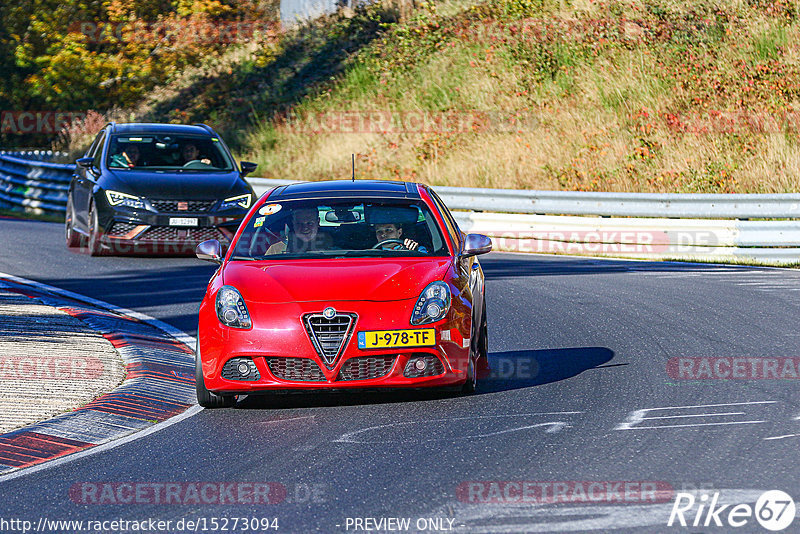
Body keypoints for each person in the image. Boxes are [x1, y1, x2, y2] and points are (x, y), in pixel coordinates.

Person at [266, 208, 332, 254]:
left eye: (310, 223)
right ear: (293, 224)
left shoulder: (337, 248)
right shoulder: (276, 250)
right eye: (299, 224)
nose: (305, 228)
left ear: (318, 222)